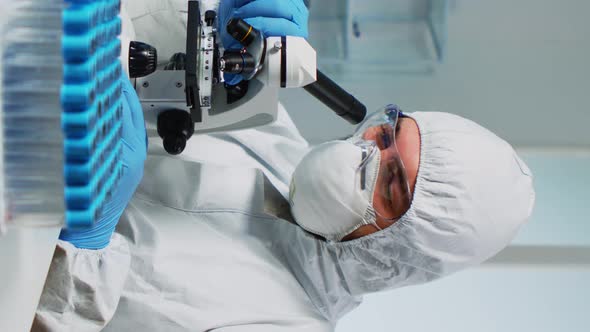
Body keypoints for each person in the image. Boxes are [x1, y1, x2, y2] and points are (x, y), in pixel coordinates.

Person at [33, 0, 535, 331]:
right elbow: (146, 60)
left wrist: (83, 246)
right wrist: (232, 22)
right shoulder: (273, 142)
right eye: (385, 136)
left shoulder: (280, 322)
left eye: (391, 182)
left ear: (397, 252)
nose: (364, 153)